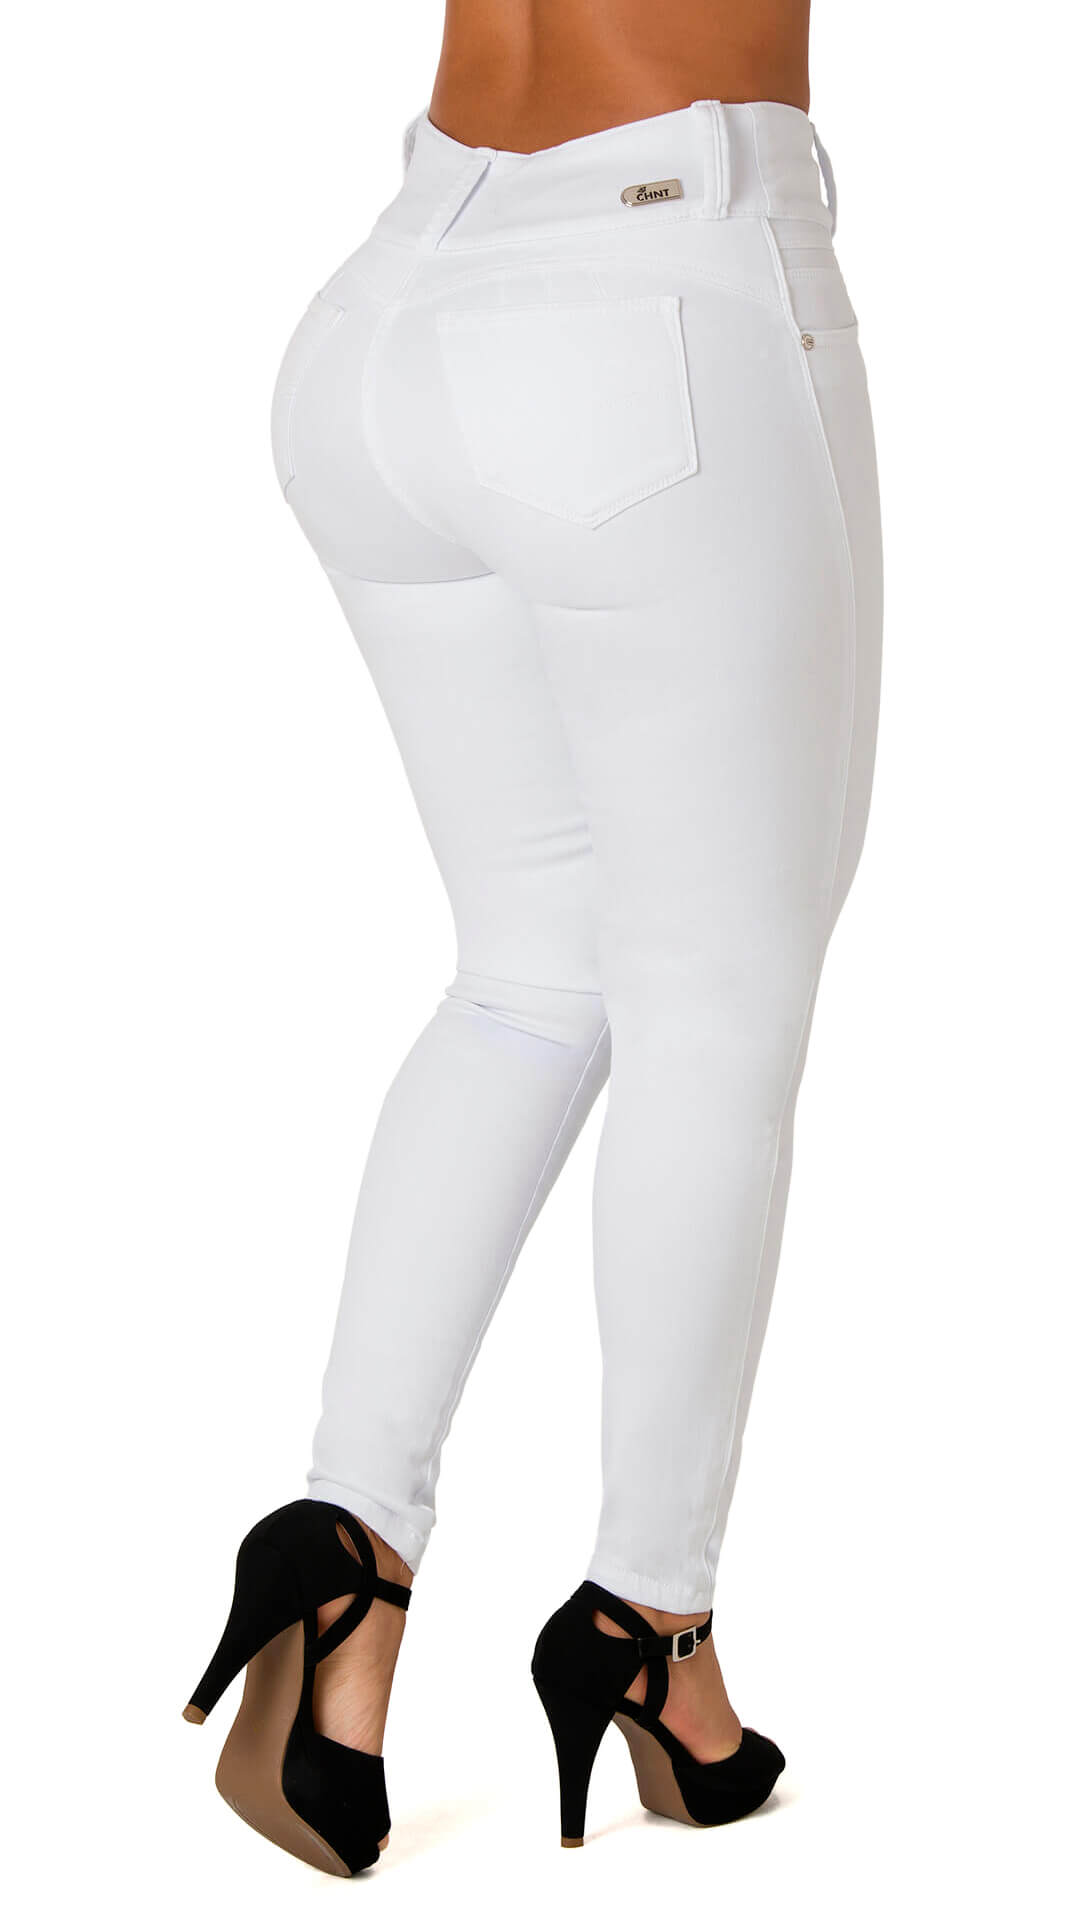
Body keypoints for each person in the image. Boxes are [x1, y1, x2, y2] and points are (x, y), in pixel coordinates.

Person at [183, 0, 881, 1874]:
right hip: (660, 288)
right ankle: (654, 1621)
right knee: (715, 1004)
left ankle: (346, 1553)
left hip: (393, 303)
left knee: (529, 974)